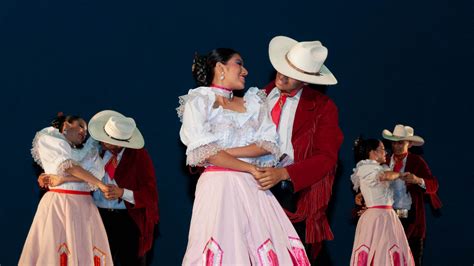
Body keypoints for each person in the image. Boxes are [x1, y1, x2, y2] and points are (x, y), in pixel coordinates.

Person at [178, 48, 310, 265]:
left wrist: (221, 152)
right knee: (221, 245)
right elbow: (202, 150)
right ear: (221, 67)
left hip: (252, 187)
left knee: (265, 246)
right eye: (239, 63)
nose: (245, 71)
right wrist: (246, 167)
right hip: (220, 188)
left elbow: (267, 144)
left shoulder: (254, 102)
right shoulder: (199, 100)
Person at [257, 35, 344, 259]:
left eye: (292, 74)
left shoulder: (323, 107)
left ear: (305, 81)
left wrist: (283, 173)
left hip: (291, 192)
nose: (282, 76)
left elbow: (326, 157)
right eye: (283, 68)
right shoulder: (258, 97)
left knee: (291, 256)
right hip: (252, 183)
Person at [38, 110, 160, 265]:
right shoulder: (94, 151)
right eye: (104, 137)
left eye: (109, 140)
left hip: (128, 220)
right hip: (97, 217)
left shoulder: (138, 156)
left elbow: (150, 194)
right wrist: (50, 176)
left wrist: (123, 193)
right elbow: (77, 172)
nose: (103, 142)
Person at [19, 114, 113, 265]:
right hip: (60, 203)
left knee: (83, 247)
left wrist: (64, 179)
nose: (84, 132)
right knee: (56, 246)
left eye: (87, 131)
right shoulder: (50, 139)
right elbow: (69, 166)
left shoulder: (90, 152)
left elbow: (94, 175)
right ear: (66, 126)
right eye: (81, 126)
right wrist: (100, 185)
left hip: (84, 206)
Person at [382, 124, 442, 266]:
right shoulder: (385, 161)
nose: (396, 146)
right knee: (387, 260)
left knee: (413, 260)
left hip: (412, 221)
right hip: (388, 219)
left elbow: (433, 184)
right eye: (394, 142)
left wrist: (417, 180)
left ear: (409, 144)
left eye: (400, 142)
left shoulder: (416, 162)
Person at [350, 137, 415, 266]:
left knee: (390, 250)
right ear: (373, 152)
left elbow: (375, 185)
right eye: (382, 149)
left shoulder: (379, 168)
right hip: (377, 219)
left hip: (388, 217)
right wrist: (400, 175)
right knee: (378, 250)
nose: (385, 152)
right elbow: (383, 176)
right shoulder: (367, 168)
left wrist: (362, 194)